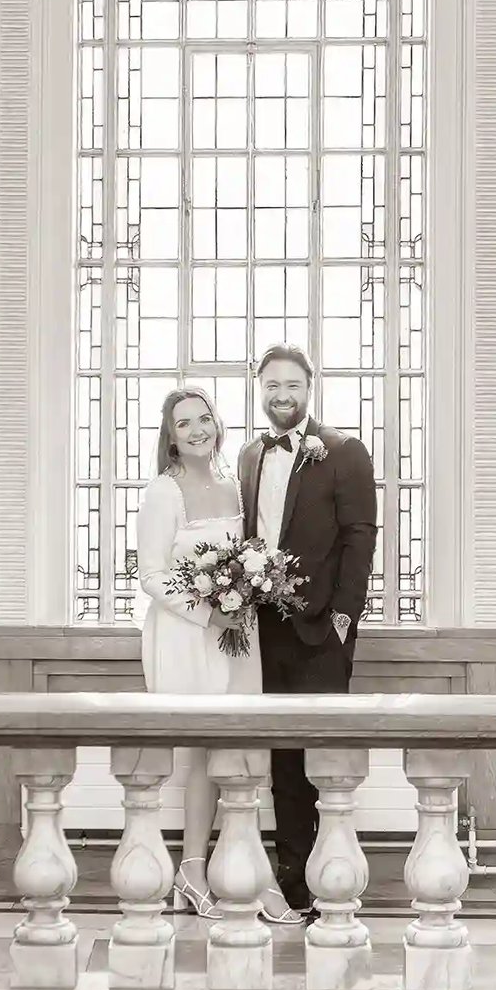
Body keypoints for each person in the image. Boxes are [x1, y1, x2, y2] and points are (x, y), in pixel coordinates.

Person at [137, 385, 299, 924]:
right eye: (184, 424)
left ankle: (246, 873)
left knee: (239, 754)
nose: (197, 430)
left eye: (203, 419)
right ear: (171, 436)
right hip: (187, 633)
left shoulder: (234, 484)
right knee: (206, 752)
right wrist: (209, 612)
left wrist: (248, 590)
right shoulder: (164, 491)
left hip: (238, 635)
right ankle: (193, 866)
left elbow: (248, 555)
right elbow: (153, 575)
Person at [237, 345, 378, 914]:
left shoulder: (343, 451)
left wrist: (344, 619)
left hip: (323, 631)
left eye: (291, 385)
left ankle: (335, 875)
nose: (281, 395)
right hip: (260, 631)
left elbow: (360, 536)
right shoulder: (249, 456)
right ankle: (295, 888)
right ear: (260, 388)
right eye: (271, 385)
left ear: (309, 388)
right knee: (281, 762)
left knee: (325, 763)